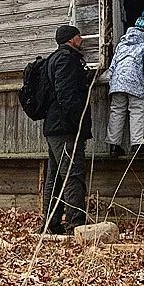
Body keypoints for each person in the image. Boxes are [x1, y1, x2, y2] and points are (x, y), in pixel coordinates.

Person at [42, 24, 93, 234]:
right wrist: (77, 121)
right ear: (72, 39)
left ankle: (51, 224)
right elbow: (66, 94)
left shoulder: (55, 59)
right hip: (65, 128)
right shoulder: (66, 59)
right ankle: (76, 225)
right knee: (73, 175)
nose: (81, 39)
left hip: (55, 127)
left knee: (55, 177)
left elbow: (66, 87)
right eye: (79, 36)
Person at [105, 11, 144, 158]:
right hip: (135, 83)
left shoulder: (122, 45)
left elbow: (113, 66)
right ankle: (137, 144)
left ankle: (114, 146)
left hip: (117, 83)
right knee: (136, 110)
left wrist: (110, 83)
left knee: (117, 111)